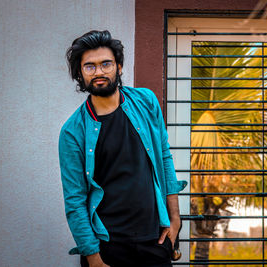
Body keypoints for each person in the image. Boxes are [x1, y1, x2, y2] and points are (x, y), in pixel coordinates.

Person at [59, 30, 187, 267]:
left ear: (118, 67)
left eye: (106, 63)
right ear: (80, 73)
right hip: (107, 246)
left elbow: (164, 157)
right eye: (90, 66)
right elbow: (74, 201)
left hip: (154, 239)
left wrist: (175, 218)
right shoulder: (73, 132)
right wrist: (93, 258)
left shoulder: (146, 102)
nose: (99, 72)